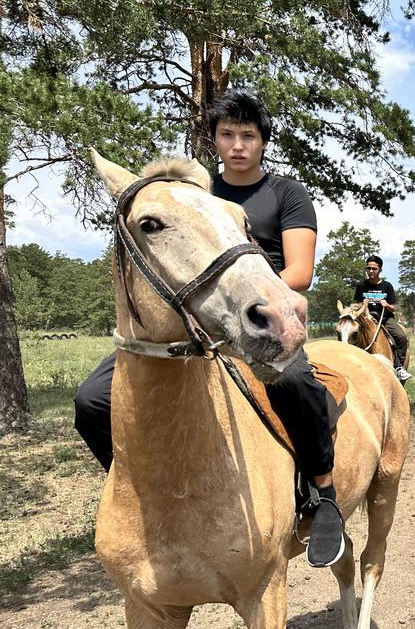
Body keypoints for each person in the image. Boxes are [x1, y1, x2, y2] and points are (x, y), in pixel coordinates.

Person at [74, 91, 347, 568]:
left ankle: (323, 494)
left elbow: (299, 271)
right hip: (192, 322)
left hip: (260, 312)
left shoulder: (286, 194)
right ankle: (139, 492)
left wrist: (250, 302)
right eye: (227, 134)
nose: (238, 144)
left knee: (300, 383)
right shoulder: (196, 197)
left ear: (263, 141)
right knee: (92, 400)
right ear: (214, 140)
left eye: (249, 135)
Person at [353, 255, 411, 381]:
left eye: (374, 269)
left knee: (401, 337)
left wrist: (387, 305)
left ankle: (399, 367)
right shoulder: (361, 285)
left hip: (385, 319)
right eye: (368, 268)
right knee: (351, 334)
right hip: (366, 319)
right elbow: (356, 304)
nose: (371, 271)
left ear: (380, 270)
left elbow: (394, 307)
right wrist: (362, 305)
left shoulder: (387, 286)